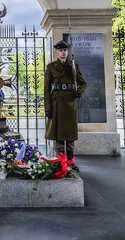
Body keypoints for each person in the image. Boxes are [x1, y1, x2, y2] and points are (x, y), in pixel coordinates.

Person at [44, 40, 87, 171]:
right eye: (60, 50)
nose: (63, 52)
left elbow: (83, 83)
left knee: (69, 134)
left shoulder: (73, 66)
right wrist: (47, 108)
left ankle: (71, 161)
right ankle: (60, 161)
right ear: (57, 52)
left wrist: (79, 92)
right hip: (56, 104)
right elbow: (46, 89)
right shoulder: (51, 67)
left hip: (69, 104)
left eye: (65, 50)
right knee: (58, 135)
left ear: (67, 52)